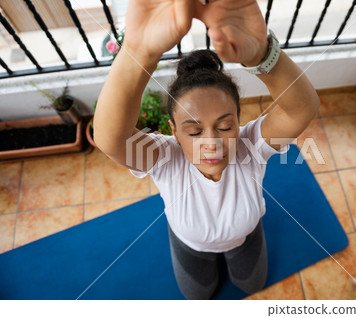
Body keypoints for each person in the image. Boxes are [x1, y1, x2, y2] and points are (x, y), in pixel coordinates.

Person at [93, 0, 320, 300]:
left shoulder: (249, 147)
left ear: (239, 123)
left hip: (245, 237)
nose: (211, 143)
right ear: (173, 131)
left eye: (225, 127)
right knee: (198, 297)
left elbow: (301, 110)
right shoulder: (166, 158)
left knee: (252, 285)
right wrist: (138, 52)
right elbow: (111, 140)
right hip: (190, 244)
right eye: (194, 131)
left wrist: (262, 54)